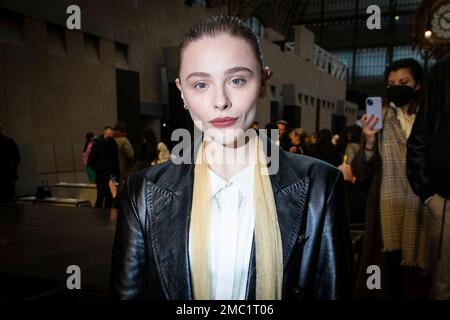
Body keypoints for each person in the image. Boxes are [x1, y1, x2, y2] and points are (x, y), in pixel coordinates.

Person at [109, 15, 352, 300]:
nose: (220, 101)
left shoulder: (319, 186)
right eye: (200, 85)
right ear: (182, 94)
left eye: (237, 80)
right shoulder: (143, 192)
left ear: (263, 82)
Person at [352, 58, 429, 299]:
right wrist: (370, 140)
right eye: (392, 83)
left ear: (418, 85)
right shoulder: (380, 118)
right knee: (387, 278)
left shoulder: (430, 117)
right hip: (386, 213)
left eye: (404, 82)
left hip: (425, 209)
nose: (397, 87)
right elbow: (361, 173)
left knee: (419, 281)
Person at [406, 53, 450, 299]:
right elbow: (420, 138)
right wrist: (430, 196)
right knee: (444, 285)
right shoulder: (442, 71)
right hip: (446, 201)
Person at [88, 126, 120, 209]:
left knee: (102, 196)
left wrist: (98, 169)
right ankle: (104, 216)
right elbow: (115, 162)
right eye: (109, 135)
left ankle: (101, 216)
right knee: (107, 197)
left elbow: (91, 161)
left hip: (104, 174)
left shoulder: (99, 144)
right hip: (108, 174)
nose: (110, 137)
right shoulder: (112, 144)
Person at [0, 125, 20, 203]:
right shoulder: (10, 142)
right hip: (10, 176)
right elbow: (17, 158)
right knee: (10, 199)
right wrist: (12, 169)